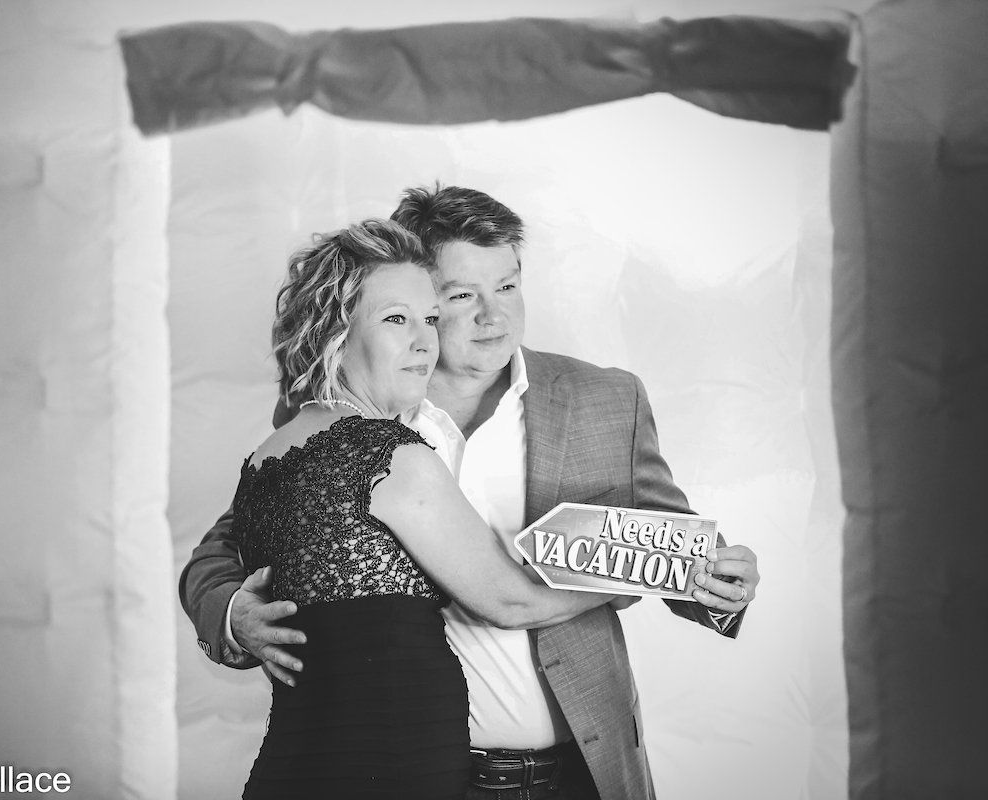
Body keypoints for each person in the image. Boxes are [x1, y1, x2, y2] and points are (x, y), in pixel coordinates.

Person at [184, 188, 762, 800]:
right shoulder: (355, 406)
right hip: (419, 773)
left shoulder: (607, 400)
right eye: (462, 296)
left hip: (584, 770)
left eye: (508, 286)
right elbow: (226, 543)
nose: (495, 316)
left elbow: (674, 544)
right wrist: (231, 613)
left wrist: (720, 586)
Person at [224, 218, 640, 799]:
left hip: (305, 762)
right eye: (397, 319)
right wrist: (647, 577)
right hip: (393, 767)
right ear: (335, 331)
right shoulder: (389, 452)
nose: (426, 340)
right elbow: (510, 600)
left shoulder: (268, 454)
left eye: (429, 320)